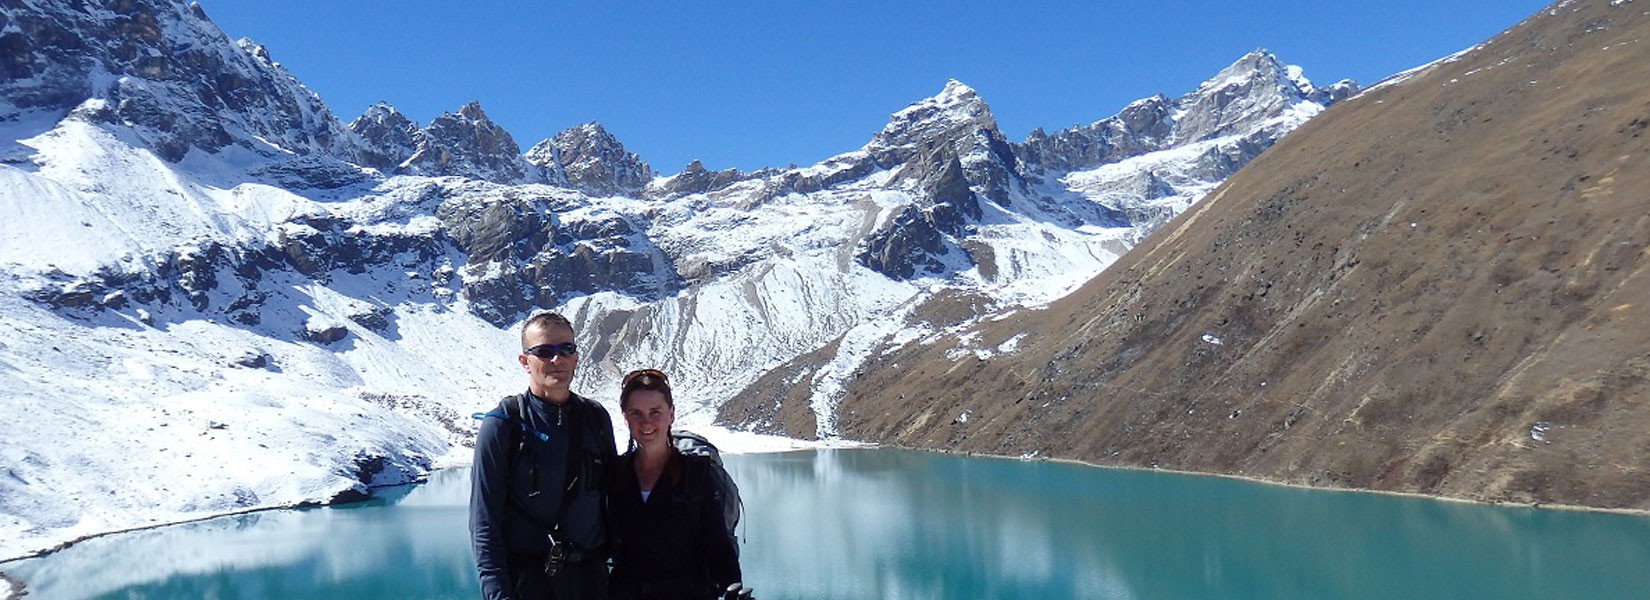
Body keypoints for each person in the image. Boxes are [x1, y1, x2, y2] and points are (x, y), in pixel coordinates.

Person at [471, 312, 618, 600]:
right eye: (544, 351)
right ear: (525, 361)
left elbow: (614, 500)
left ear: (576, 357)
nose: (557, 359)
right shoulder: (503, 425)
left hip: (592, 582)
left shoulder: (595, 418)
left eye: (566, 349)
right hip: (530, 585)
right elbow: (484, 523)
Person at [608, 369, 750, 600]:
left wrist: (731, 586)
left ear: (671, 414)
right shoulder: (614, 474)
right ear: (625, 418)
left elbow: (717, 543)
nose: (646, 423)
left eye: (655, 412)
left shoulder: (696, 474)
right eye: (636, 413)